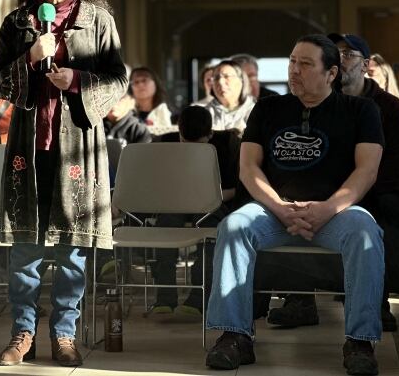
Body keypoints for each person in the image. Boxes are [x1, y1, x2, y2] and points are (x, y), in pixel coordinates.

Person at [204, 34, 385, 376]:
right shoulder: (269, 108)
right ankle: (234, 336)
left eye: (305, 64)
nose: (294, 70)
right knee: (233, 226)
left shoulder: (361, 110)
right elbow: (248, 168)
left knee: (366, 232)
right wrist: (279, 207)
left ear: (331, 73)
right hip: (274, 211)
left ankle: (360, 341)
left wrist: (327, 208)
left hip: (336, 213)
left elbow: (367, 170)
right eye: (292, 61)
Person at [0, 0, 127, 366]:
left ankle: (64, 335)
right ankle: (22, 334)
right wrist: (31, 55)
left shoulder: (99, 20)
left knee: (72, 251)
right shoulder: (17, 24)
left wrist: (80, 81)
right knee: (25, 252)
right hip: (28, 149)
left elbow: (118, 82)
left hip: (77, 150)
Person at [262, 34, 399, 333]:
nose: (340, 59)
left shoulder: (386, 107)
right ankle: (300, 299)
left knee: (376, 212)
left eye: (348, 54)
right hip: (322, 193)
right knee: (300, 204)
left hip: (375, 189)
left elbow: (392, 167)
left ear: (366, 65)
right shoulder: (310, 105)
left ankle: (374, 304)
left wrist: (346, 197)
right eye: (335, 53)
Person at [151, 105, 244, 315]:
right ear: (179, 134)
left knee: (211, 232)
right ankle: (164, 297)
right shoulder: (165, 144)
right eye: (185, 143)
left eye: (199, 145)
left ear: (211, 135)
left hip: (212, 202)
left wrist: (208, 197)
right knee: (165, 228)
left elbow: (237, 189)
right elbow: (155, 186)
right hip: (174, 202)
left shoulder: (228, 145)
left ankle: (199, 297)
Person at [200, 60, 256, 132]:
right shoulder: (204, 115)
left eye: (226, 76)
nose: (220, 82)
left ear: (241, 80)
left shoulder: (256, 111)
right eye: (216, 78)